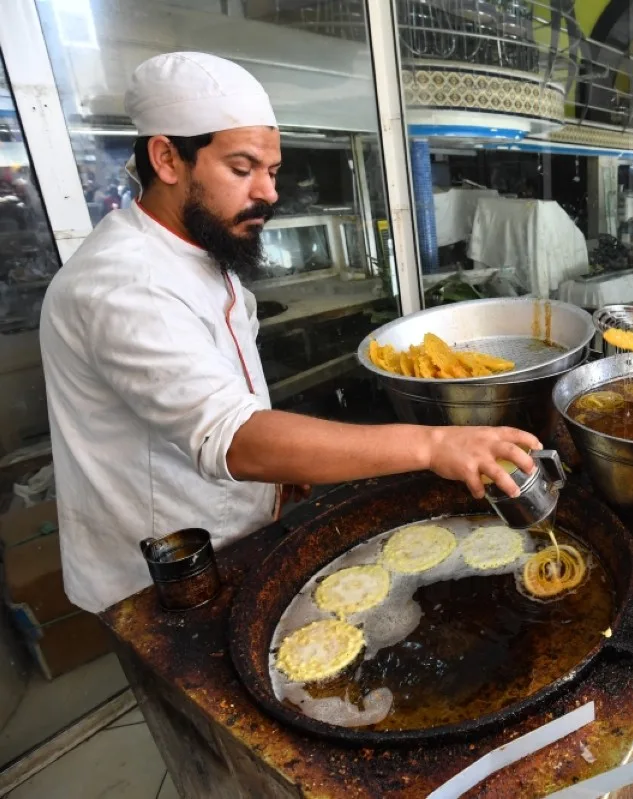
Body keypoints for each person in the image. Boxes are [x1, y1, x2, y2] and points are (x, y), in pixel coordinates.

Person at [40, 53, 540, 615]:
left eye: (272, 171)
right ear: (167, 158)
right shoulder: (123, 283)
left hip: (234, 536)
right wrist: (433, 444)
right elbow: (234, 437)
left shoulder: (199, 254)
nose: (269, 192)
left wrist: (280, 474)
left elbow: (228, 399)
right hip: (160, 582)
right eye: (242, 168)